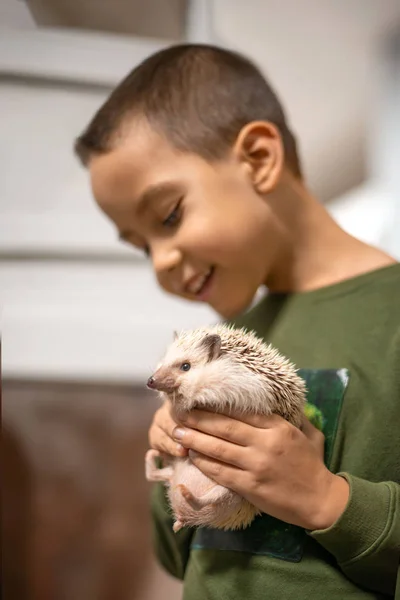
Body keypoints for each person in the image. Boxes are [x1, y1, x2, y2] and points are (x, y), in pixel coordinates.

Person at [74, 44, 400, 599]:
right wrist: (170, 457)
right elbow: (177, 555)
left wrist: (326, 500)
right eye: (141, 247)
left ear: (257, 159)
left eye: (169, 216)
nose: (161, 264)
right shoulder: (218, 346)